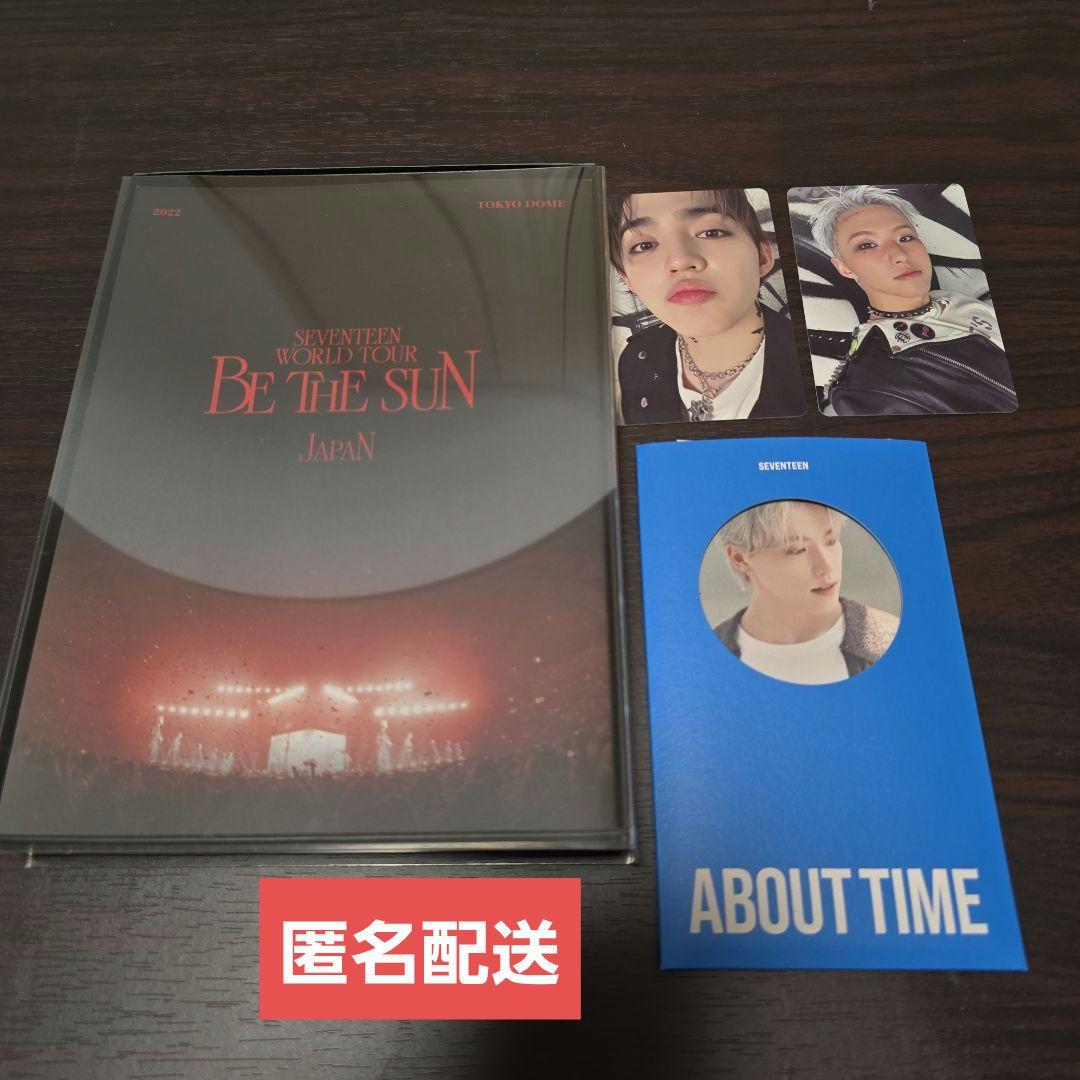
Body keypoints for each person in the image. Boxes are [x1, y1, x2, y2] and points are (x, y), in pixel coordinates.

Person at [805, 185, 1017, 415]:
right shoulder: (865, 389)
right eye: (867, 245)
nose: (900, 255)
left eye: (905, 237)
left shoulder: (955, 300)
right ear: (844, 268)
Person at [609, 189, 804, 423]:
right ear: (627, 279)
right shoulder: (635, 360)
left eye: (711, 233)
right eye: (644, 245)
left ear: (762, 257)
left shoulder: (816, 367)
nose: (680, 260)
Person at [711, 500, 898, 685]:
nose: (826, 567)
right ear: (739, 558)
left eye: (831, 540)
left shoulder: (892, 640)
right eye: (797, 550)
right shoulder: (707, 659)